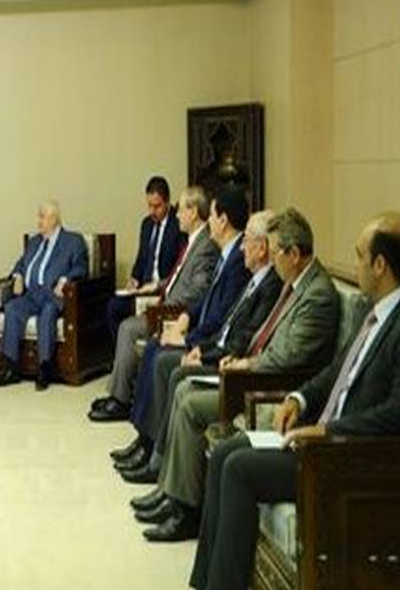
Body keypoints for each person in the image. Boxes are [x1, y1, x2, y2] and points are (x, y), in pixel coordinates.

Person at [153, 212, 400, 590]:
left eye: (360, 256)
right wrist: (300, 397)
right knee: (226, 452)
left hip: (346, 461)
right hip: (322, 444)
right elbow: (337, 371)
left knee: (239, 468)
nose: (355, 264)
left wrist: (328, 431)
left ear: (381, 265)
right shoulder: (379, 312)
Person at [142, 207, 340, 543]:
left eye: (275, 251)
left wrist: (246, 365)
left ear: (293, 254)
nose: (272, 260)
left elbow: (289, 357)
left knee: (189, 403)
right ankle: (172, 495)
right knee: (183, 387)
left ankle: (185, 510)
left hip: (270, 388)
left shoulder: (317, 294)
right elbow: (260, 335)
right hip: (250, 372)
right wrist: (239, 358)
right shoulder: (293, 284)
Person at [115, 210, 282, 502]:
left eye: (248, 242)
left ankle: (162, 470)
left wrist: (201, 352)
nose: (243, 247)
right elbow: (223, 318)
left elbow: (238, 337)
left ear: (262, 248)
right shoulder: (251, 276)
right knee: (161, 355)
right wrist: (197, 341)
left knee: (171, 368)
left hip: (232, 367)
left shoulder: (263, 283)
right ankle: (150, 449)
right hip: (215, 347)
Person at [90, 186, 219, 421]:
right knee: (118, 313)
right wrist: (155, 286)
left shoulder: (206, 246)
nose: (177, 214)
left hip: (173, 313)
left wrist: (163, 306)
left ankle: (120, 400)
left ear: (193, 213)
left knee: (128, 328)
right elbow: (176, 276)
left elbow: (197, 292)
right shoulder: (193, 241)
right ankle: (119, 394)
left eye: (181, 210)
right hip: (162, 302)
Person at [0, 200, 89, 390]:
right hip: (31, 295)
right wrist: (18, 275)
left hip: (52, 296)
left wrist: (65, 280)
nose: (38, 221)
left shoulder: (73, 241)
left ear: (53, 219)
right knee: (12, 309)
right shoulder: (34, 241)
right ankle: (11, 368)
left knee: (47, 314)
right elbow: (21, 264)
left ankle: (45, 368)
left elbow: (81, 267)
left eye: (42, 217)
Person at [105, 176, 184, 337]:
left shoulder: (178, 225)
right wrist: (134, 279)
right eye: (149, 205)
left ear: (167, 202)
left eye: (157, 206)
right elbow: (141, 258)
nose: (152, 211)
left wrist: (159, 285)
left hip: (164, 290)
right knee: (113, 306)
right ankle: (121, 351)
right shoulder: (147, 224)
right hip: (143, 290)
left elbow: (181, 266)